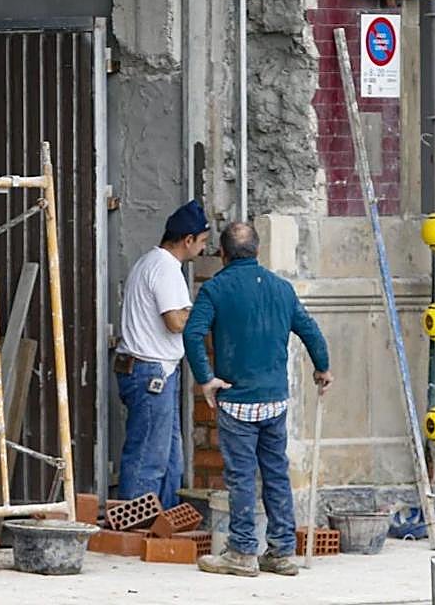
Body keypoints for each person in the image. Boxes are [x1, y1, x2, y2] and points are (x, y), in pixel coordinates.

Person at [184, 221, 333, 577]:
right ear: (257, 251)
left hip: (237, 402)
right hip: (275, 400)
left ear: (222, 253)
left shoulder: (216, 289)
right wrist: (322, 368)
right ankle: (281, 552)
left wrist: (206, 379)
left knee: (240, 477)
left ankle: (242, 551)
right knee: (276, 473)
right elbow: (310, 329)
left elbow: (192, 333)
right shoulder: (281, 289)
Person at [115, 199, 210, 509]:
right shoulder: (167, 268)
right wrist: (203, 315)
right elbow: (174, 322)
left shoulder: (148, 263)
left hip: (152, 371)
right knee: (149, 459)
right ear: (188, 239)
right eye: (203, 241)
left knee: (170, 458)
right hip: (150, 373)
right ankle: (137, 529)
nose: (203, 248)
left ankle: (163, 526)